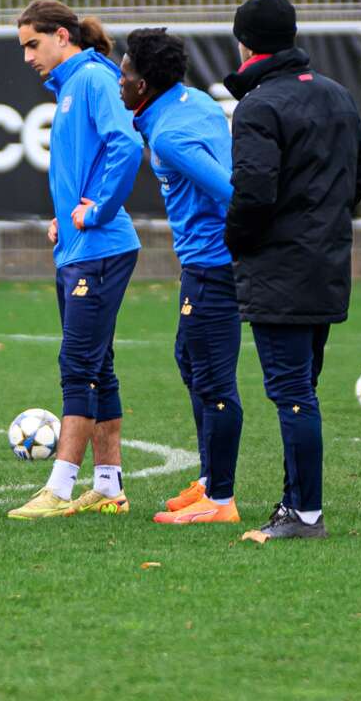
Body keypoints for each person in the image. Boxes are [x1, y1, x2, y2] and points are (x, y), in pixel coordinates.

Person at [223, 0, 361, 542]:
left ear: (245, 42)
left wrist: (236, 240)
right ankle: (294, 502)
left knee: (292, 393)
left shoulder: (259, 106)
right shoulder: (336, 94)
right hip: (326, 261)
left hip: (280, 268)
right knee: (301, 387)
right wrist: (325, 221)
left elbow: (254, 192)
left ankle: (305, 513)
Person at [6, 0, 144, 521]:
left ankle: (60, 487)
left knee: (77, 366)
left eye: (33, 44)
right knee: (98, 367)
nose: (27, 57)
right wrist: (67, 214)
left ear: (63, 36)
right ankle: (108, 486)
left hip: (102, 248)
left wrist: (97, 209)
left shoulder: (90, 79)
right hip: (80, 246)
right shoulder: (70, 87)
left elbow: (126, 146)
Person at [120, 28, 243, 526]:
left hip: (212, 265)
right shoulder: (193, 103)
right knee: (189, 360)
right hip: (210, 263)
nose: (119, 81)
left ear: (145, 84)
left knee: (211, 376)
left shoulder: (171, 134)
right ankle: (211, 481)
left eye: (126, 72)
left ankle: (221, 499)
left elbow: (231, 191)